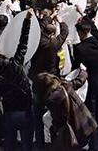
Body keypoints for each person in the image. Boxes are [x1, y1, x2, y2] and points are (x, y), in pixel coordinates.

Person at [0, 11, 34, 150]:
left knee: (9, 144)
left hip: (9, 112)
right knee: (27, 144)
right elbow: (23, 42)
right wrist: (27, 21)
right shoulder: (15, 64)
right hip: (26, 109)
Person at [29, 11, 69, 147]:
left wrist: (49, 17)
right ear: (53, 33)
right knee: (54, 113)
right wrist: (60, 20)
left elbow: (40, 26)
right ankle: (54, 142)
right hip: (52, 80)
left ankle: (39, 143)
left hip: (37, 78)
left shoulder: (38, 40)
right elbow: (65, 32)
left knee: (37, 113)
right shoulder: (55, 43)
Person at [32, 70, 96, 149]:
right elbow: (79, 81)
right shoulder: (65, 85)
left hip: (74, 132)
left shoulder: (52, 100)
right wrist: (82, 70)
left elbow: (58, 122)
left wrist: (52, 127)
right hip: (86, 125)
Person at [71, 19, 98, 151]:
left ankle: (95, 145)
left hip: (91, 84)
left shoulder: (80, 49)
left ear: (81, 32)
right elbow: (95, 29)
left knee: (91, 115)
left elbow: (76, 67)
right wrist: (84, 16)